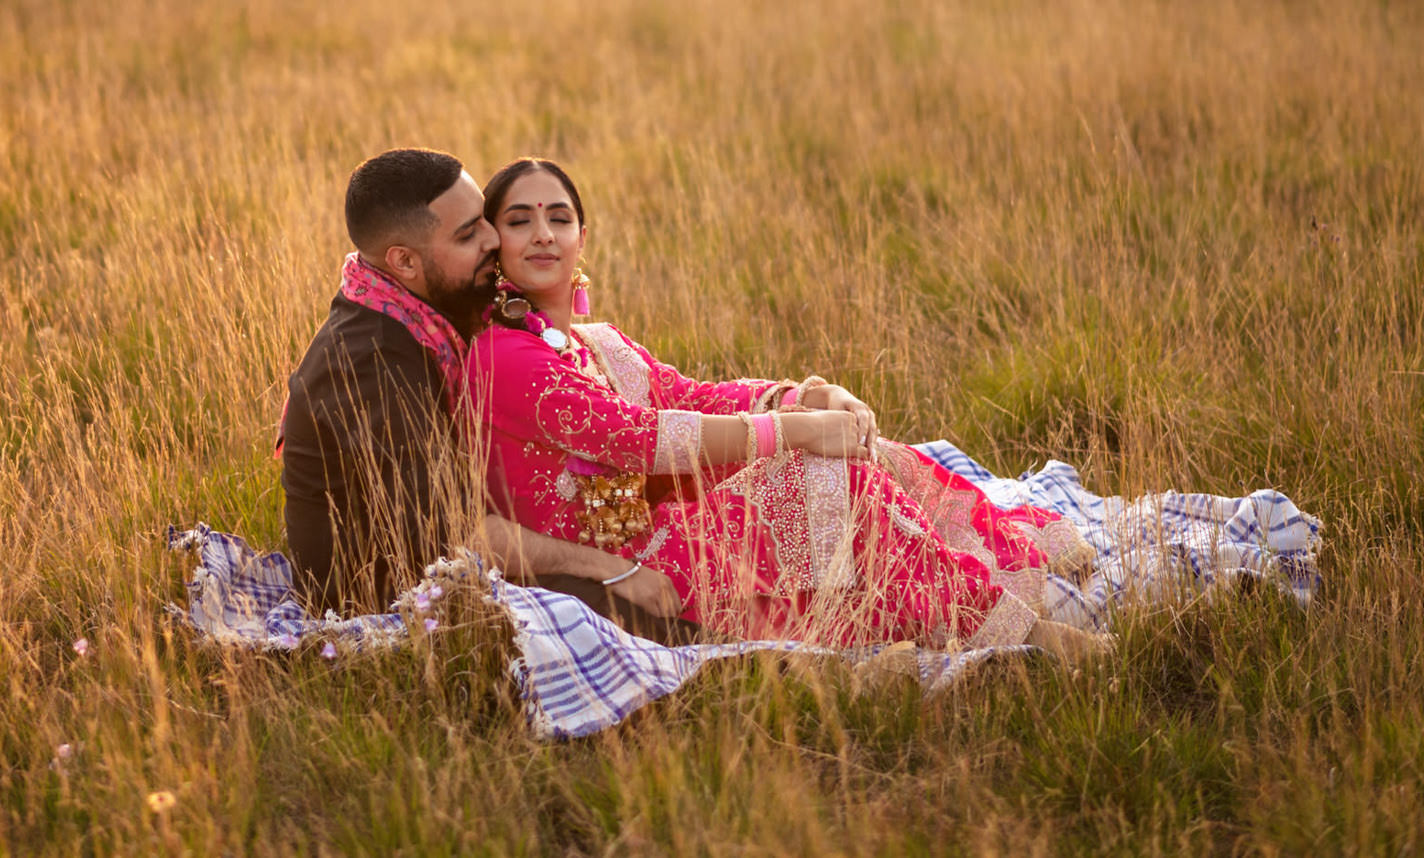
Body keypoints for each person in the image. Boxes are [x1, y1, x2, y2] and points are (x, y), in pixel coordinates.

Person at [451, 157, 1106, 659]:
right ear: (494, 244)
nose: (543, 235)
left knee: (866, 457)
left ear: (582, 234)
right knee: (832, 473)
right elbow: (638, 436)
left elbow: (689, 395)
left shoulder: (598, 342)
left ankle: (986, 589)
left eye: (558, 217)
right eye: (519, 220)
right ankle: (1015, 625)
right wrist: (799, 428)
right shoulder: (502, 356)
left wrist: (800, 395)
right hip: (629, 551)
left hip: (661, 521)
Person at [279, 148, 698, 641]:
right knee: (647, 621)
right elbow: (461, 533)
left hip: (467, 550)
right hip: (394, 591)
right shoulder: (372, 365)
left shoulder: (420, 304)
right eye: (467, 233)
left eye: (484, 220)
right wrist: (610, 568)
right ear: (404, 260)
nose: (493, 239)